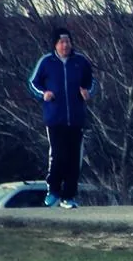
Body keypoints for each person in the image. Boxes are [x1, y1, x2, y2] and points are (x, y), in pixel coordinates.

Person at [28, 26, 95, 209]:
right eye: (61, 42)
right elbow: (33, 83)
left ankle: (69, 196)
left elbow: (91, 82)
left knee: (74, 158)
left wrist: (87, 92)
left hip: (76, 118)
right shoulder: (46, 62)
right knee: (58, 156)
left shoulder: (80, 62)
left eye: (67, 41)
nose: (65, 45)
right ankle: (54, 191)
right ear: (55, 44)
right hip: (55, 118)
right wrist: (43, 94)